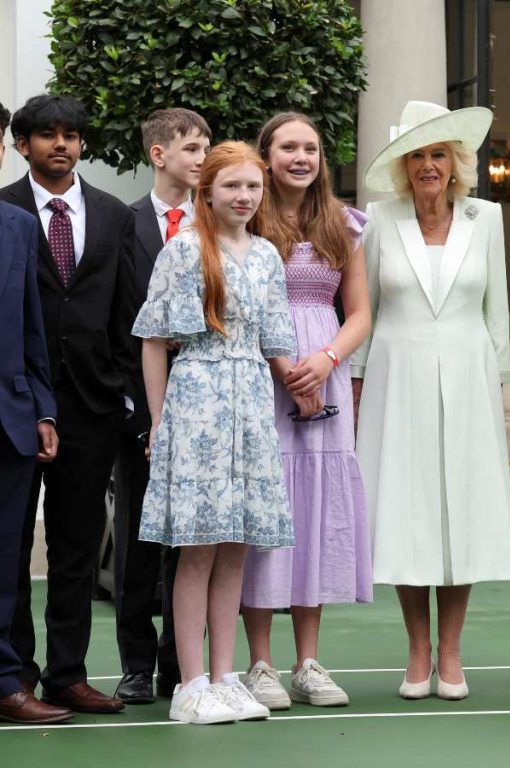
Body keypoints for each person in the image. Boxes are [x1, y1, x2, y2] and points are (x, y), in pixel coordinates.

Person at [353, 100, 510, 701]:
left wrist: (504, 380)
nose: (429, 165)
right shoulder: (378, 218)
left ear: (457, 163)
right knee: (408, 511)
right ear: (404, 166)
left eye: (439, 154)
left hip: (469, 379)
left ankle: (451, 653)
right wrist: (356, 383)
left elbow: (495, 311)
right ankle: (417, 650)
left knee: (461, 515)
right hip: (396, 381)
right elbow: (363, 311)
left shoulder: (487, 219)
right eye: (418, 155)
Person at [132, 141, 297, 725]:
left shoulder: (268, 257)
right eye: (232, 186)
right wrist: (159, 421)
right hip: (197, 400)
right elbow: (153, 339)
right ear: (209, 190)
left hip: (251, 403)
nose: (245, 197)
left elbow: (276, 344)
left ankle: (226, 678)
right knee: (197, 551)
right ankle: (190, 684)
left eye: (253, 187)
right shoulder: (182, 250)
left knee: (236, 549)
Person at [0, 94, 137, 715]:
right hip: (18, 404)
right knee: (8, 548)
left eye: (72, 135)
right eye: (48, 135)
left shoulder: (112, 215)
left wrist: (122, 388)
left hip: (91, 403)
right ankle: (17, 675)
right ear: (21, 144)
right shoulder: (4, 210)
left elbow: (127, 307)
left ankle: (69, 673)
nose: (62, 144)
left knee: (78, 547)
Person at [240, 112, 372, 710]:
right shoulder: (247, 217)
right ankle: (260, 663)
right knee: (269, 512)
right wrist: (287, 370)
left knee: (316, 511)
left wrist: (324, 361)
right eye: (288, 147)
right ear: (266, 156)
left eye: (311, 148)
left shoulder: (342, 224)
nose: (301, 157)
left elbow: (361, 313)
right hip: (264, 375)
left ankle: (309, 662)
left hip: (327, 376)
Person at [113, 108, 212, 705]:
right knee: (136, 540)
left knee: (191, 541)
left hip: (206, 405)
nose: (203, 157)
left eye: (206, 147)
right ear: (159, 154)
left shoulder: (220, 222)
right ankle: (134, 663)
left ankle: (181, 663)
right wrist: (135, 407)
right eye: (192, 147)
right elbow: (114, 318)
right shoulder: (120, 225)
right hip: (135, 406)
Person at [0, 100, 68, 725]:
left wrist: (43, 409)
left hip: (10, 420)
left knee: (4, 562)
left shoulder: (17, 227)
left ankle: (4, 681)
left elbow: (31, 331)